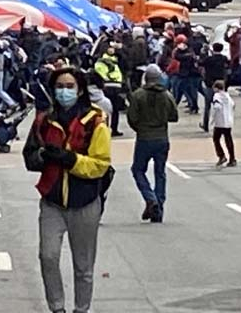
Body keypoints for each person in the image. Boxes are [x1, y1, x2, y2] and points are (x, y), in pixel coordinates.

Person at [23, 66, 111, 313]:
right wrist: (42, 158)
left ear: (80, 89)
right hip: (52, 201)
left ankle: (81, 309)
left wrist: (69, 159)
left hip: (84, 201)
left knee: (83, 266)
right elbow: (29, 155)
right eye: (59, 86)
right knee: (47, 256)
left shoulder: (95, 120)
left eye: (69, 86)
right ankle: (57, 308)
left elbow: (100, 165)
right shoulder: (43, 120)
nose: (64, 91)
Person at [126, 63, 178, 223]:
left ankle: (150, 197)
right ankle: (158, 207)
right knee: (160, 172)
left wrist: (140, 128)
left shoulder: (138, 95)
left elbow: (132, 118)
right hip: (162, 137)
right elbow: (174, 116)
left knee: (138, 169)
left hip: (144, 137)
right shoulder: (167, 95)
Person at [200, 42, 228, 132]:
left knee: (207, 105)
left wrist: (204, 52)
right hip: (221, 83)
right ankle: (223, 124)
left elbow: (200, 63)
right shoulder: (224, 58)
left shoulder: (208, 59)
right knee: (221, 105)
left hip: (210, 83)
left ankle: (205, 124)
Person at [211, 80, 236, 167]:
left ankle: (221, 156)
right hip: (228, 121)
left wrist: (212, 119)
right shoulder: (228, 96)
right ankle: (232, 158)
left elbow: (216, 107)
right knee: (228, 139)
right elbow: (233, 105)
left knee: (216, 138)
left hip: (220, 121)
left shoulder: (217, 96)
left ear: (216, 88)